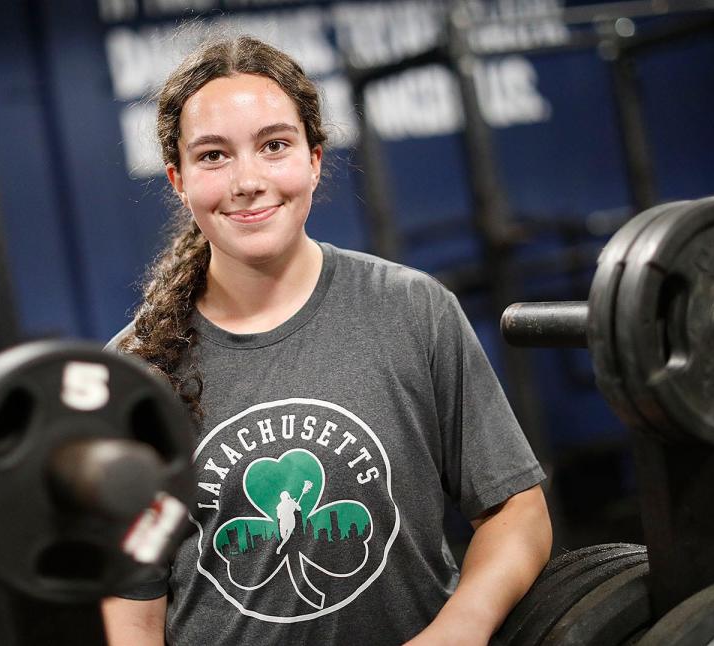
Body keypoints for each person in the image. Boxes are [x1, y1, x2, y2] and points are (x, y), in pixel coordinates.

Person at [103, 35, 552, 645]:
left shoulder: (412, 311)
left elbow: (516, 513)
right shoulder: (137, 372)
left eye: (274, 146)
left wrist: (460, 628)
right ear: (178, 179)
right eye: (213, 156)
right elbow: (133, 607)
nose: (247, 180)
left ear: (314, 159)